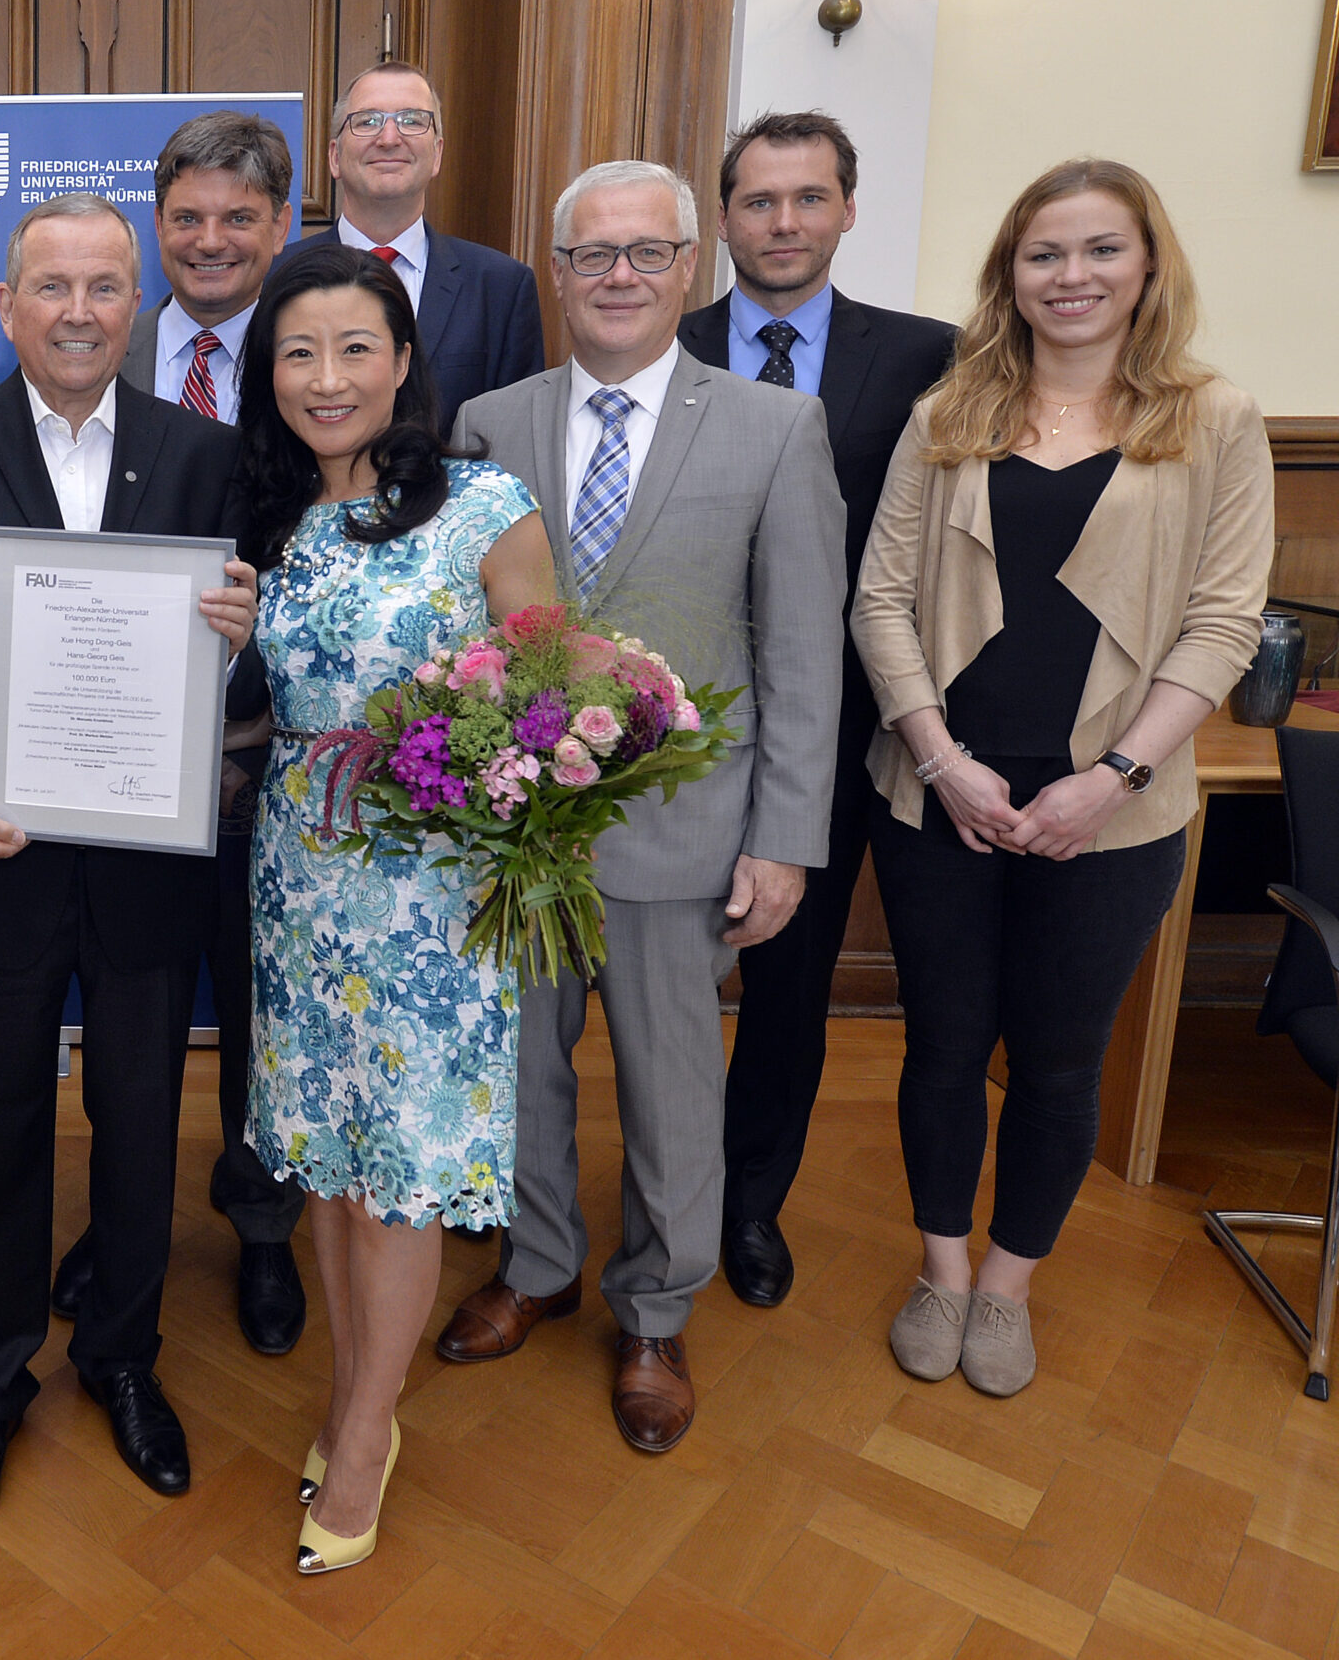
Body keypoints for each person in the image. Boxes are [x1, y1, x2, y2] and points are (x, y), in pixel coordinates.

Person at [0, 194, 260, 1543]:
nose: (78, 310)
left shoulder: (208, 453)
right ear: (7, 305)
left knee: (142, 1128)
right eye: (51, 286)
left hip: (145, 869)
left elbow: (226, 670)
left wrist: (239, 636)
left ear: (134, 306)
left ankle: (122, 1356)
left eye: (102, 286)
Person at [853, 159, 1272, 1398]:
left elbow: (1222, 620)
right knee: (940, 1047)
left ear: (1147, 264)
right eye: (1045, 254)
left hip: (1117, 809)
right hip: (942, 795)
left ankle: (1006, 1288)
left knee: (1052, 1060)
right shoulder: (948, 413)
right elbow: (880, 598)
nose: (1071, 276)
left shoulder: (1213, 418)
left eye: (1098, 251)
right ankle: (939, 1268)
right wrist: (940, 760)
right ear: (1011, 275)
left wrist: (1112, 777)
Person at [442, 161, 844, 1453]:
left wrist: (785, 835)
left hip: (687, 836)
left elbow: (800, 651)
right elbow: (459, 628)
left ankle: (657, 1306)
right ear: (555, 275)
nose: (617, 276)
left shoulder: (776, 427)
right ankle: (542, 1256)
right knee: (521, 1073)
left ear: (689, 269)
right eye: (590, 256)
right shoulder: (489, 422)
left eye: (645, 253)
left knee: (675, 1091)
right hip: (522, 830)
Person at [240, 244, 556, 1573]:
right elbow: (272, 712)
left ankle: (367, 1431)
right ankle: (350, 1390)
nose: (327, 378)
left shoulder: (485, 505)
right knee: (326, 1165)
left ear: (405, 359)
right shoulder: (276, 521)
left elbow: (553, 705)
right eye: (299, 352)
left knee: (400, 1186)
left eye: (354, 347)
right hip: (299, 880)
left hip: (426, 891)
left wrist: (427, 755)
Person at [679, 112, 960, 1308]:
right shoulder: (655, 339)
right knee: (654, 983)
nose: (782, 222)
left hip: (829, 733)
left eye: (807, 199)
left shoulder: (925, 360)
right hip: (659, 728)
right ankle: (659, 1194)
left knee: (788, 988)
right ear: (723, 217)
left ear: (849, 209)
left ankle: (748, 1204)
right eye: (757, 200)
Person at [55, 108, 304, 1358]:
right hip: (118, 757)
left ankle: (262, 1228)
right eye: (187, 218)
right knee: (135, 1017)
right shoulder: (100, 348)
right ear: (158, 228)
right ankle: (121, 1226)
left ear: (280, 227)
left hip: (275, 751)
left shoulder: (315, 356)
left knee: (258, 1003)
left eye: (237, 219)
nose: (209, 242)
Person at [290, 61, 543, 423]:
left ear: (437, 153)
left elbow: (517, 432)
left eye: (411, 121)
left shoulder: (501, 287)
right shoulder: (276, 277)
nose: (389, 138)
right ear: (334, 157)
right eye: (367, 121)